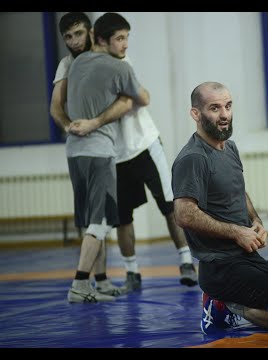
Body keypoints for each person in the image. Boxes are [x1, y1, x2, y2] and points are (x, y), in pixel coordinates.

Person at [51, 12, 198, 291]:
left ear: (92, 34)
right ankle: (128, 272)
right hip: (107, 153)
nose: (74, 41)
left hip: (141, 143)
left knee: (170, 203)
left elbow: (138, 98)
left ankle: (186, 261)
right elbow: (56, 105)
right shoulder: (70, 66)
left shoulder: (117, 62)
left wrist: (93, 122)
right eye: (68, 37)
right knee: (120, 216)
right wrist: (71, 126)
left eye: (79, 33)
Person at [172, 81, 268, 334]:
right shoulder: (193, 158)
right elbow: (184, 214)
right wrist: (237, 232)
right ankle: (225, 304)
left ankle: (228, 304)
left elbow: (237, 190)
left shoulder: (229, 147)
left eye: (228, 106)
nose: (224, 115)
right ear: (196, 114)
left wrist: (255, 221)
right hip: (222, 268)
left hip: (246, 258)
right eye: (214, 108)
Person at [61, 12, 150, 302]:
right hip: (99, 152)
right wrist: (121, 98)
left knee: (91, 221)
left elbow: (61, 104)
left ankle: (97, 282)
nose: (125, 46)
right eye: (120, 39)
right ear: (101, 39)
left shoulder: (74, 65)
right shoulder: (119, 67)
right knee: (99, 223)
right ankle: (80, 285)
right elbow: (143, 98)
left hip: (74, 152)